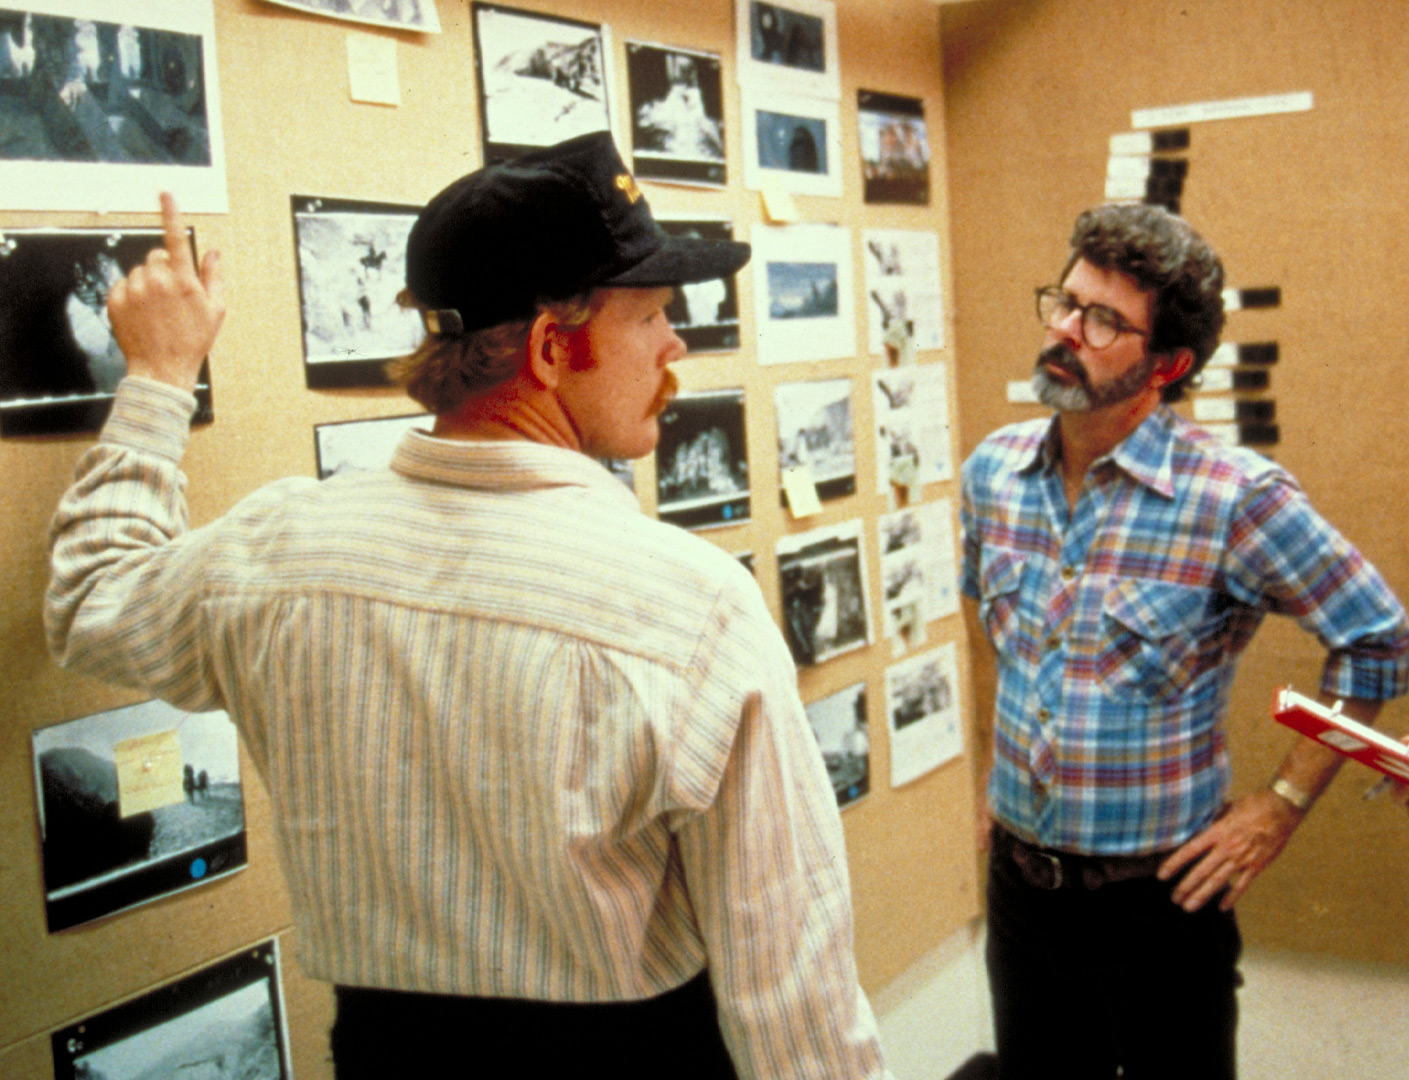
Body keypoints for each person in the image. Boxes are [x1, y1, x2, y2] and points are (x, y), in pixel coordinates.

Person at [44, 133, 888, 1080]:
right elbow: (794, 1005)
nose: (675, 344)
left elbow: (90, 599)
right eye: (651, 314)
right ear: (550, 346)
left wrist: (160, 376)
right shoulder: (692, 608)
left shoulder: (277, 553)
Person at [958, 202, 1409, 1078]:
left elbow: (1377, 642)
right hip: (1022, 893)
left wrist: (1280, 805)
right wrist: (995, 769)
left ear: (1164, 365)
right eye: (1064, 301)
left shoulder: (1233, 496)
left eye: (1101, 321)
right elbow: (993, 628)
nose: (1064, 331)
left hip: (1161, 905)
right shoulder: (994, 472)